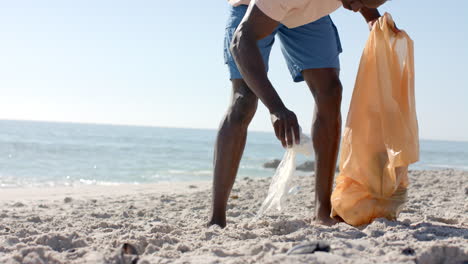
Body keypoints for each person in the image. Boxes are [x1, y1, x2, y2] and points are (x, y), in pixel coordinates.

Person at [209, 0, 388, 228]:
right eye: (358, 1)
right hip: (252, 10)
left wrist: (372, 16)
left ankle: (322, 211)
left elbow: (364, 4)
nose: (355, 8)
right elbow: (240, 42)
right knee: (243, 101)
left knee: (331, 91)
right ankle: (217, 218)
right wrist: (276, 108)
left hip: (306, 13)